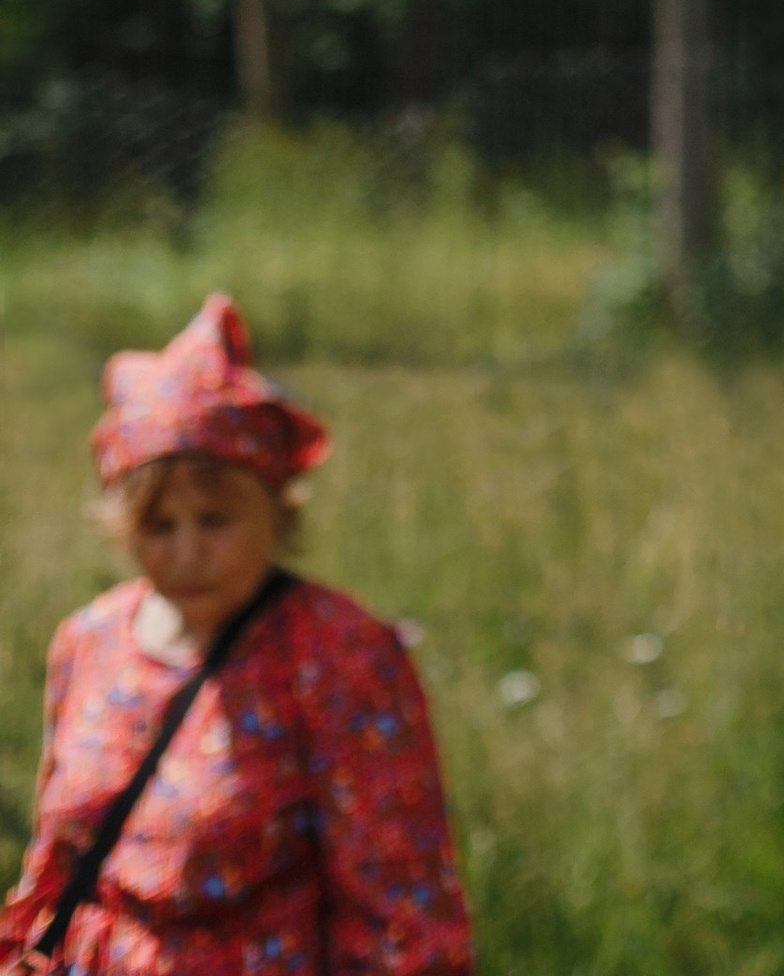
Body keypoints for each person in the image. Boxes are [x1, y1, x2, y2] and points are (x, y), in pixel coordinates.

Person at [0, 293, 472, 976]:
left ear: (277, 513)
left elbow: (402, 910)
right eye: (159, 526)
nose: (187, 552)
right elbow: (54, 863)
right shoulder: (90, 640)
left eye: (216, 520)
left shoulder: (337, 654)